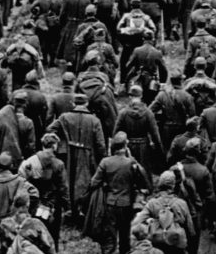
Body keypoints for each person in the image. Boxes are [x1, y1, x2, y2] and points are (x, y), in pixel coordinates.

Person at [46, 92, 107, 220]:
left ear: (73, 104)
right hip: (87, 154)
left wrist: (61, 142)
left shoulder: (64, 117)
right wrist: (102, 159)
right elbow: (100, 144)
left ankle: (69, 209)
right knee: (84, 182)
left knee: (69, 180)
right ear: (87, 104)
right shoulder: (95, 120)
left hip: (68, 153)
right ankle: (81, 211)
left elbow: (50, 129)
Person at [91, 133, 151, 254]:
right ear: (125, 147)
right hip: (127, 203)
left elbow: (93, 183)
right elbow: (143, 181)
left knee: (110, 236)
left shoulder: (105, 162)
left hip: (110, 203)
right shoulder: (131, 163)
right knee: (125, 235)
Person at [19, 133, 70, 249]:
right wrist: (68, 207)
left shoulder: (30, 161)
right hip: (52, 203)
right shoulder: (58, 164)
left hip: (35, 202)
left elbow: (22, 180)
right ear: (54, 146)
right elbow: (63, 187)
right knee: (52, 233)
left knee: (35, 230)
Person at [131, 171, 194, 254]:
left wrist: (148, 223)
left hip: (157, 244)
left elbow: (136, 223)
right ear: (173, 185)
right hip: (177, 243)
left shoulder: (152, 203)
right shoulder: (182, 203)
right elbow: (191, 230)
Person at [114, 85, 164, 176]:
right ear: (141, 96)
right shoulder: (148, 113)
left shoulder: (123, 113)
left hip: (128, 146)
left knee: (129, 173)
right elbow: (155, 135)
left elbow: (116, 133)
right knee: (144, 173)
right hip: (144, 148)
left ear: (130, 96)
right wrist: (159, 150)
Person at [177, 138, 215, 254]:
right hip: (197, 208)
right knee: (194, 239)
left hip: (179, 208)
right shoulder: (203, 171)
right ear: (198, 152)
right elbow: (210, 196)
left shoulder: (176, 168)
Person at [0, 152, 40, 230]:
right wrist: (28, 212)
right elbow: (35, 194)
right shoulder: (20, 181)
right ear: (12, 165)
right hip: (16, 225)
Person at [149, 71, 195, 157]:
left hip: (167, 129)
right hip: (182, 128)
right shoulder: (187, 96)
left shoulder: (162, 95)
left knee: (167, 151)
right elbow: (193, 115)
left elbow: (150, 110)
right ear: (181, 81)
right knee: (181, 151)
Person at [0, 90, 37, 167]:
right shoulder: (28, 122)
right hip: (20, 160)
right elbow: (31, 145)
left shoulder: (4, 116)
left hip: (3, 158)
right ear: (25, 104)